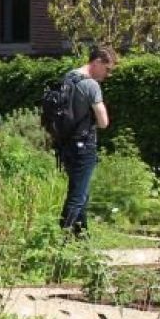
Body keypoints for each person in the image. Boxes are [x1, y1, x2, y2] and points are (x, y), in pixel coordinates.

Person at [57, 45, 117, 235]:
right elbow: (104, 122)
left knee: (81, 192)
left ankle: (81, 238)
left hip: (66, 143)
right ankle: (61, 240)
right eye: (107, 69)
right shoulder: (91, 85)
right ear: (97, 62)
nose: (107, 74)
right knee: (77, 195)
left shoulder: (69, 77)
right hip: (84, 145)